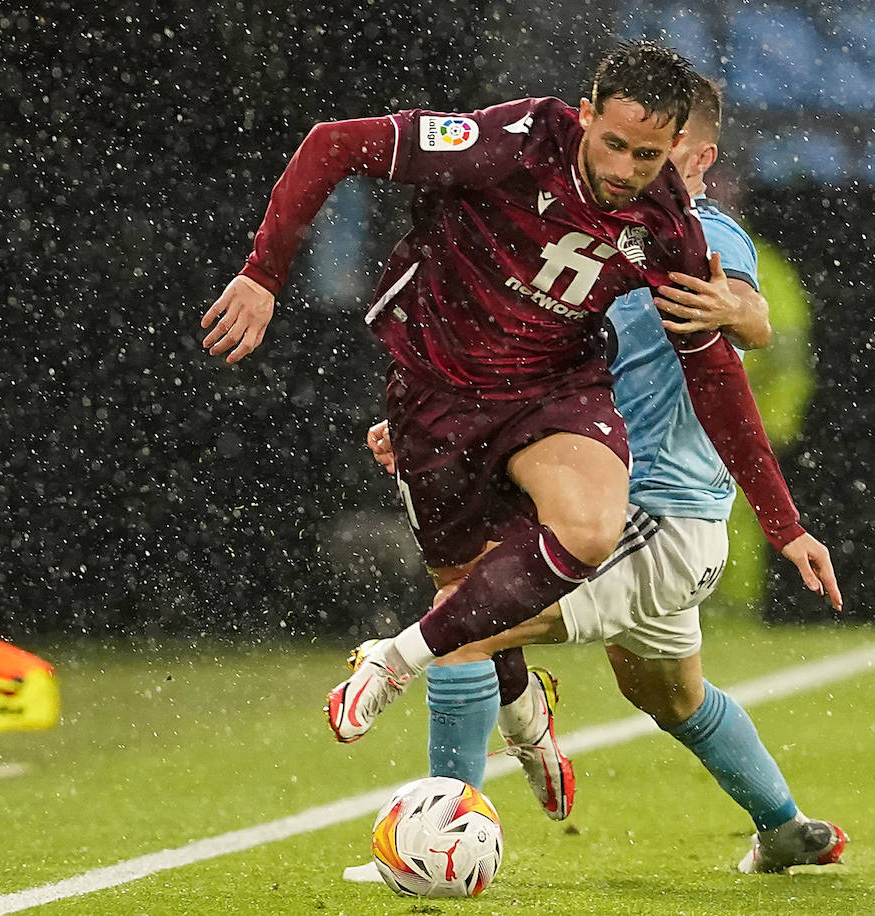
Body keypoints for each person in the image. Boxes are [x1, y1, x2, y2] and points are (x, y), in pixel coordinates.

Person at [203, 43, 802, 746]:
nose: (623, 171)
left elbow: (718, 366)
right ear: (583, 117)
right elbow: (334, 144)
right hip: (437, 390)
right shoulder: (510, 143)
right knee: (469, 596)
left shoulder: (672, 226)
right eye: (612, 144)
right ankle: (523, 722)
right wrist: (262, 275)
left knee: (583, 532)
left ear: (676, 150)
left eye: (645, 156)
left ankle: (396, 668)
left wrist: (782, 520)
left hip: (558, 393)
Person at [354, 75, 847, 875]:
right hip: (637, 512)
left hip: (658, 514)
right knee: (670, 697)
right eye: (622, 146)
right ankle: (785, 828)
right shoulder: (592, 234)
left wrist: (741, 314)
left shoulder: (705, 233)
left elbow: (749, 314)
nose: (634, 168)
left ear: (699, 156)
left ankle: (431, 843)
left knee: (462, 630)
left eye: (662, 153)